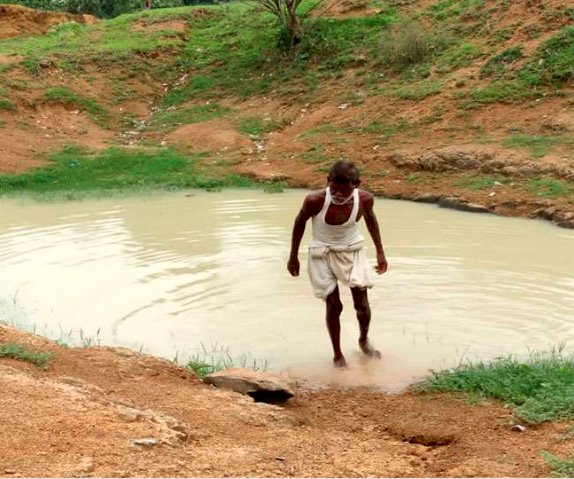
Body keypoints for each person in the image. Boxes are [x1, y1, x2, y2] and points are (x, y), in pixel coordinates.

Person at [287, 160, 388, 368]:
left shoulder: (365, 200)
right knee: (334, 305)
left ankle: (363, 340)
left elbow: (371, 221)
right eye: (334, 189)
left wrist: (380, 252)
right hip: (321, 252)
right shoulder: (315, 200)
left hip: (352, 249)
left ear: (357, 184)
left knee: (361, 304)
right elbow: (299, 222)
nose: (339, 195)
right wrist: (293, 256)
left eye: (345, 191)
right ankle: (337, 355)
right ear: (327, 181)